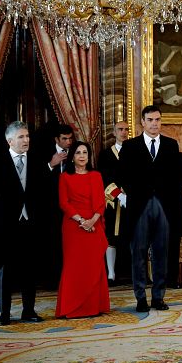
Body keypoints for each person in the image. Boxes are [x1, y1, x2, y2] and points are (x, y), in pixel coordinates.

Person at [117, 105, 182, 312]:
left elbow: (179, 177)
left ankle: (158, 297)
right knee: (138, 252)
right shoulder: (130, 147)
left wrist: (166, 195)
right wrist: (137, 194)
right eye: (150, 120)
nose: (155, 124)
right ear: (142, 123)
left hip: (164, 205)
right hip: (139, 206)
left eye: (158, 120)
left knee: (161, 253)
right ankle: (140, 298)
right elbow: (123, 176)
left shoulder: (172, 145)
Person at [0, 121, 44, 326]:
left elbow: (42, 193)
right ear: (9, 140)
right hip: (7, 226)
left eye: (27, 136)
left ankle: (28, 311)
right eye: (21, 137)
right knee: (7, 272)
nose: (26, 140)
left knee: (29, 270)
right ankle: (5, 313)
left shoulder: (37, 160)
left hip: (30, 224)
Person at [55, 141, 110, 318]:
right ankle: (71, 307)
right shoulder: (65, 177)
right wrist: (81, 220)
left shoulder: (96, 175)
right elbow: (64, 203)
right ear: (72, 156)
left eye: (85, 152)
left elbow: (100, 203)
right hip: (73, 226)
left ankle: (94, 307)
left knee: (94, 265)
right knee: (74, 267)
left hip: (93, 226)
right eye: (78, 152)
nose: (81, 156)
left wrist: (91, 221)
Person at [98, 121, 130, 284]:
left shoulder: (135, 151)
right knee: (111, 236)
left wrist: (130, 192)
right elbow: (105, 178)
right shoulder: (105, 154)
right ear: (113, 132)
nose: (123, 132)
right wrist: (119, 195)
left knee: (132, 236)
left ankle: (132, 272)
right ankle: (111, 273)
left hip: (132, 201)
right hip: (112, 201)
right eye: (120, 129)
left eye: (126, 129)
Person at [44, 124, 74, 286]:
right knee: (54, 241)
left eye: (70, 138)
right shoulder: (43, 151)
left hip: (72, 205)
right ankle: (55, 278)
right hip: (51, 206)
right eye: (64, 139)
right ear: (57, 139)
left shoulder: (77, 151)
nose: (68, 142)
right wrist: (51, 164)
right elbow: (35, 178)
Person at [167, 151, 182, 289]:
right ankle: (157, 279)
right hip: (153, 203)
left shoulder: (178, 157)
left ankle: (172, 279)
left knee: (174, 244)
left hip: (174, 204)